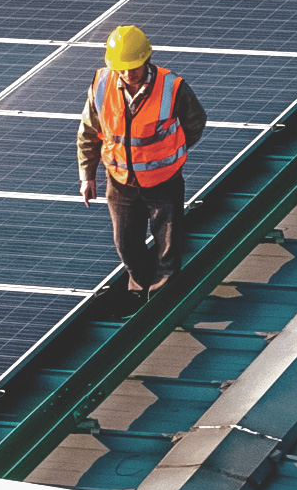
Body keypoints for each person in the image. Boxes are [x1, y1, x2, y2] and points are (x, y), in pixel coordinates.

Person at [77, 23, 205, 295]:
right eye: (120, 68)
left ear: (146, 60)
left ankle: (161, 296)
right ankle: (138, 288)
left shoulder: (172, 87)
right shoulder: (102, 84)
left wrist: (169, 152)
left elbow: (195, 123)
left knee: (168, 247)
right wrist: (87, 176)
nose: (126, 74)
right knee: (126, 245)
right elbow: (89, 132)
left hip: (164, 182)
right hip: (121, 182)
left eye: (132, 68)